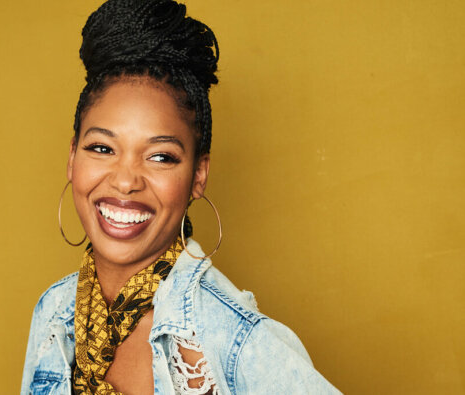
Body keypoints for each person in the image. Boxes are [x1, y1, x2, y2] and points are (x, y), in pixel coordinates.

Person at [21, 0, 341, 394]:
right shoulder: (53, 314)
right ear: (72, 158)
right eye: (102, 148)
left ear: (198, 176)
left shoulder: (236, 340)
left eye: (161, 156)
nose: (124, 182)